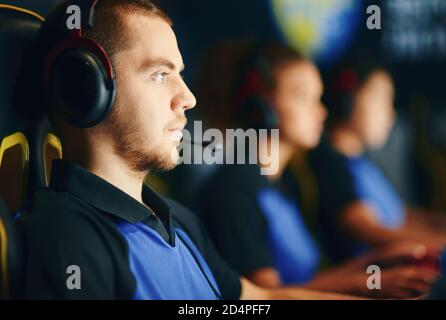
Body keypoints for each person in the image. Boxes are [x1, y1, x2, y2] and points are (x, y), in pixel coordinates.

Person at [19, 0, 362, 300]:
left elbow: (255, 297)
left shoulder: (177, 218)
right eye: (159, 74)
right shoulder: (64, 237)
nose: (187, 98)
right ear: (85, 87)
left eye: (180, 74)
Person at [192, 41, 437, 298]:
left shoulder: (285, 182)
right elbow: (265, 295)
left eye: (318, 98)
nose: (320, 111)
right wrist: (364, 283)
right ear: (261, 106)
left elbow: (306, 280)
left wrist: (377, 260)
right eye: (303, 97)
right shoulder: (235, 189)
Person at [310, 56, 446, 263]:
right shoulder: (331, 164)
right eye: (381, 99)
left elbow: (396, 216)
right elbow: (369, 230)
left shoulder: (359, 159)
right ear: (348, 100)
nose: (390, 114)